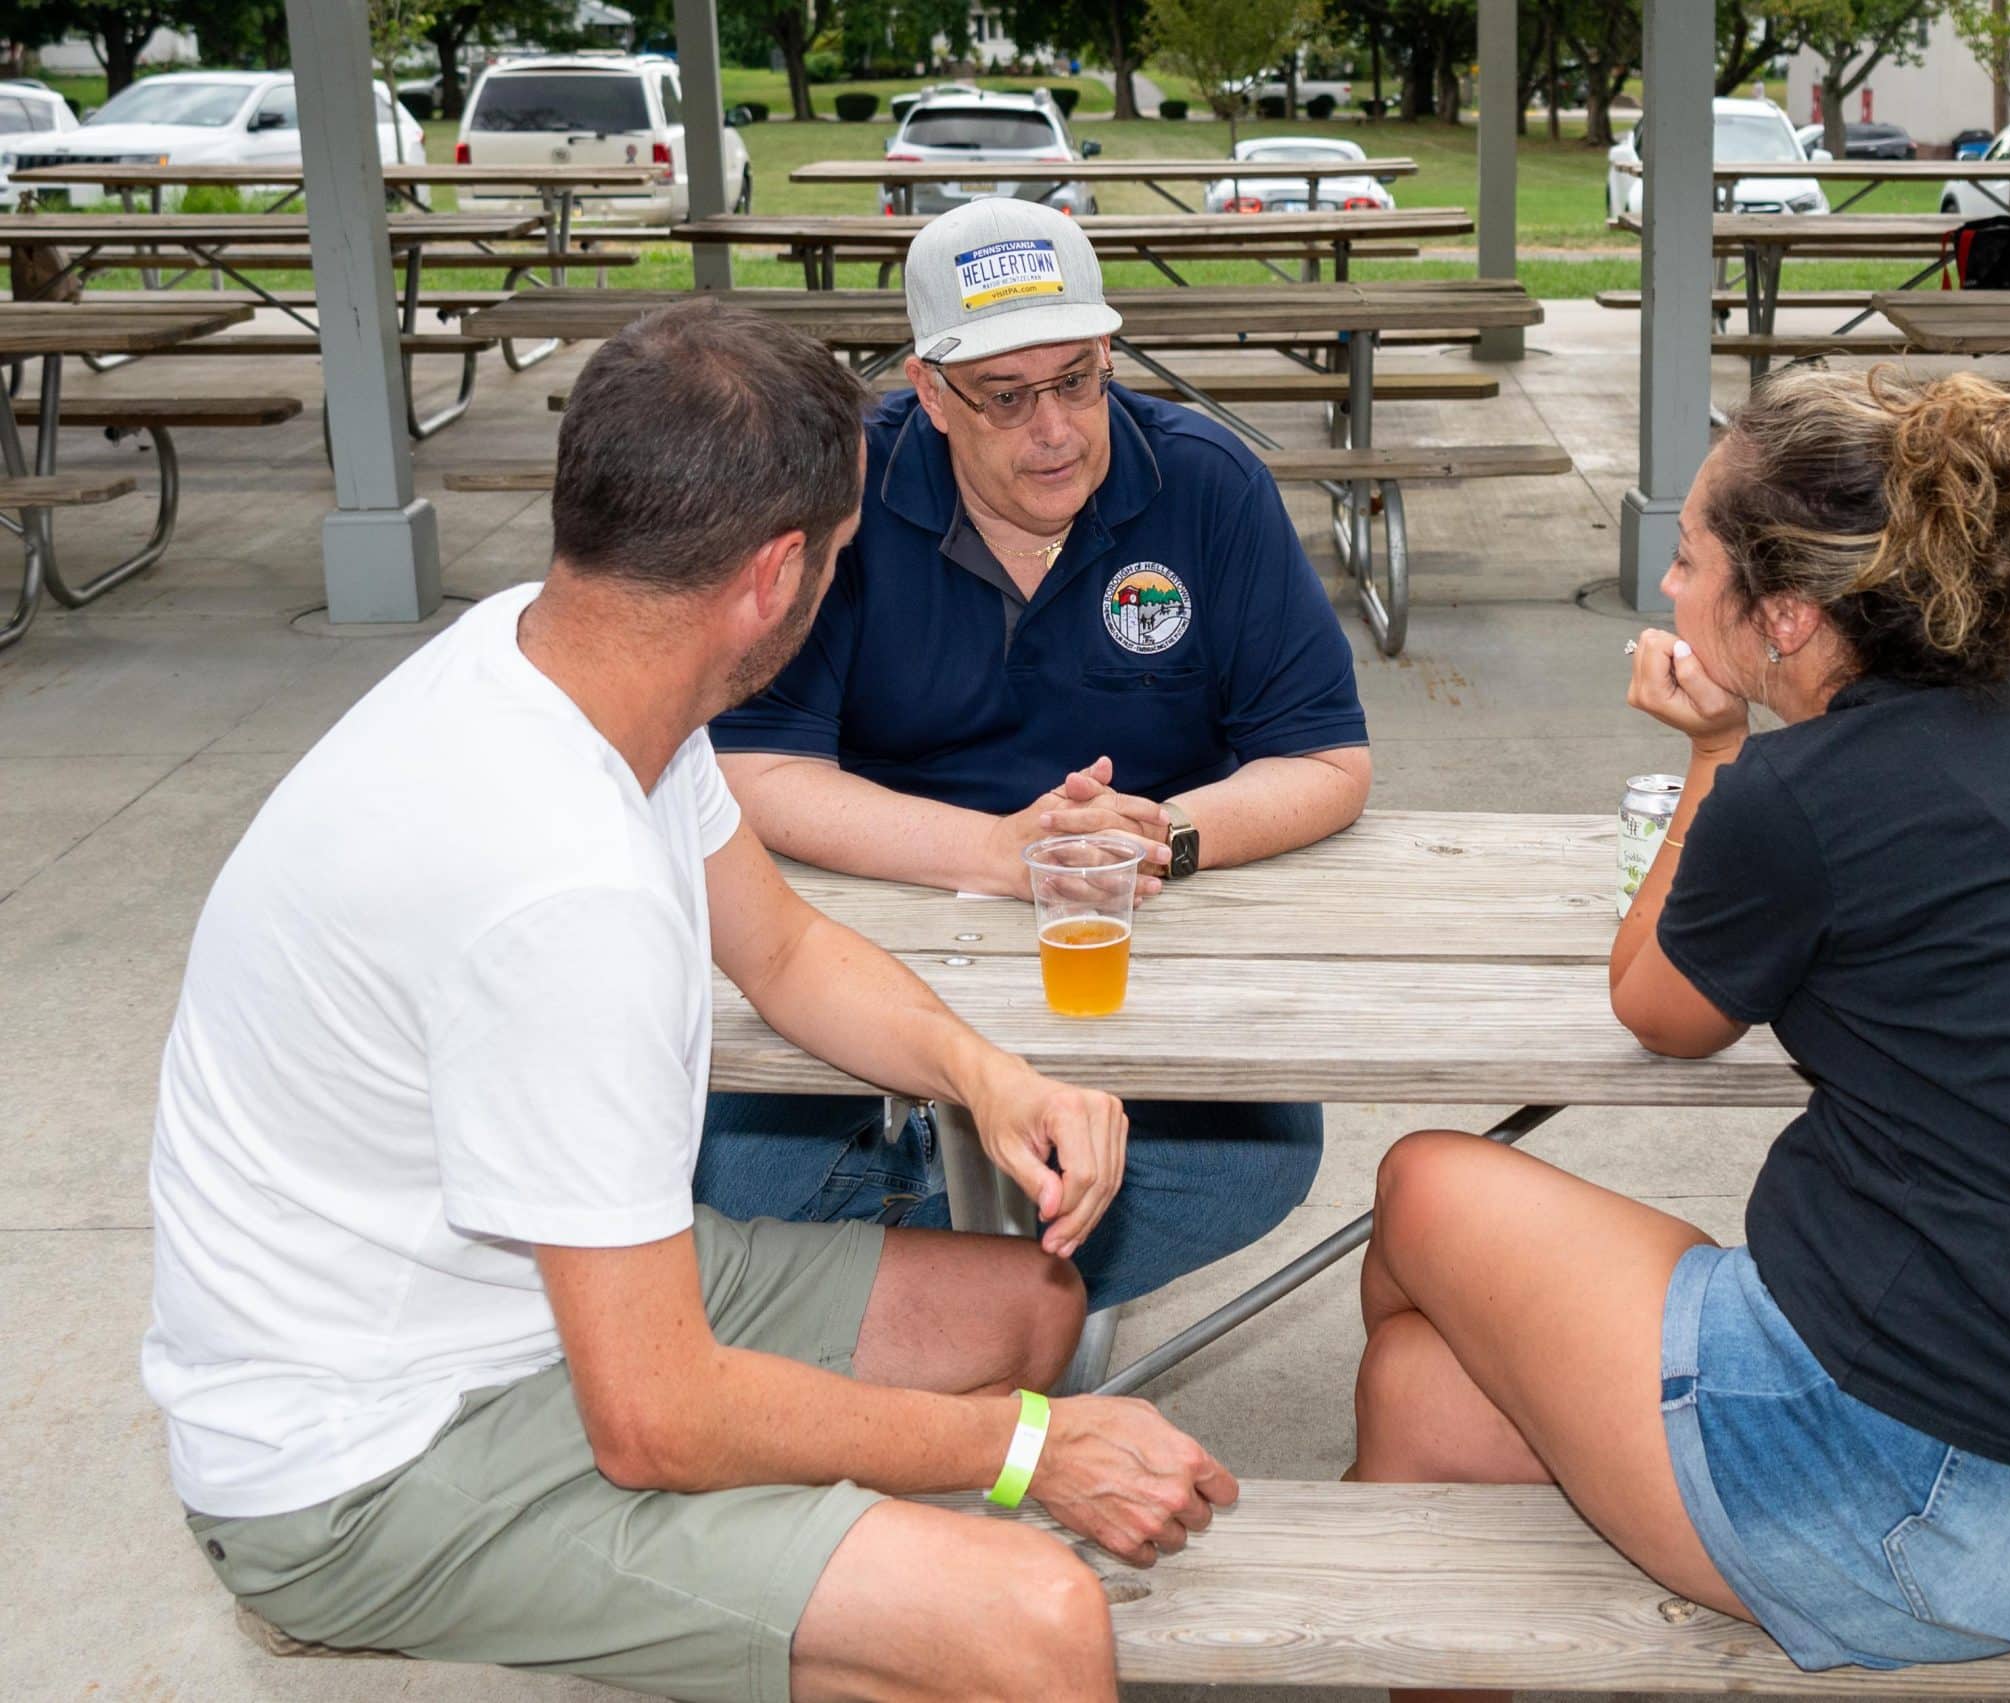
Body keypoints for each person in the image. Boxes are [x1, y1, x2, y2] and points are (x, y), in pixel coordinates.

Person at [143, 299, 1236, 1703]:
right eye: (841, 551)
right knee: (1035, 1619)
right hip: (369, 1460)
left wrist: (988, 1075)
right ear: (777, 573)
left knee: (1027, 1305)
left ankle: (806, 1584)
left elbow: (782, 949)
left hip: (516, 1307)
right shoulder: (558, 888)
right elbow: (655, 1415)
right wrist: (1033, 1449)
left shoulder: (570, 660)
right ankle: (835, 1602)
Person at [1347, 369, 2010, 1678]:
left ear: (1782, 613)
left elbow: (1655, 1010)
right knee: (1418, 1388)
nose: (1667, 587)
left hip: (1911, 1494)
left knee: (1423, 1181)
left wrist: (1714, 753)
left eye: (1687, 558)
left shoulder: (1792, 793)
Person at [702, 199, 1371, 1313]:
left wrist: (1164, 835)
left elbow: (1327, 760)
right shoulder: (837, 491)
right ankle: (990, 1301)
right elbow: (752, 771)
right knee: (736, 1165)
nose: (1054, 429)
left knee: (1264, 1149)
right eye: (1005, 396)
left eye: (1077, 380)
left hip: (1134, 934)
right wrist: (1000, 852)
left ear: (1110, 355)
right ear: (928, 391)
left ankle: (917, 1306)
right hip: (873, 945)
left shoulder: (1209, 481)